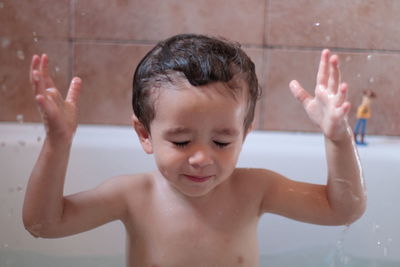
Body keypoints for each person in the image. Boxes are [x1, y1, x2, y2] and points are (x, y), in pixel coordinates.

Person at [23, 34, 366, 267]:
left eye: (221, 142)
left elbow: (342, 211)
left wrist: (338, 139)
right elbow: (43, 224)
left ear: (244, 136)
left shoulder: (257, 190)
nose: (202, 158)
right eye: (182, 141)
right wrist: (57, 143)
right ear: (144, 134)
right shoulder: (132, 196)